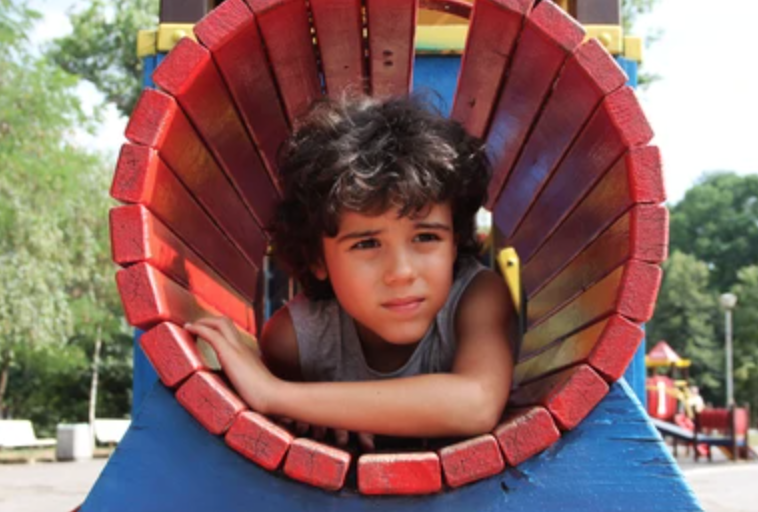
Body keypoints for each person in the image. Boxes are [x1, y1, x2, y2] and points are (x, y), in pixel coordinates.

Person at [186, 96, 515, 450]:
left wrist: (277, 395)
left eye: (426, 237)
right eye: (366, 244)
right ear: (318, 259)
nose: (401, 272)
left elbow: (477, 403)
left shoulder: (478, 297)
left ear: (455, 243)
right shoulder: (295, 340)